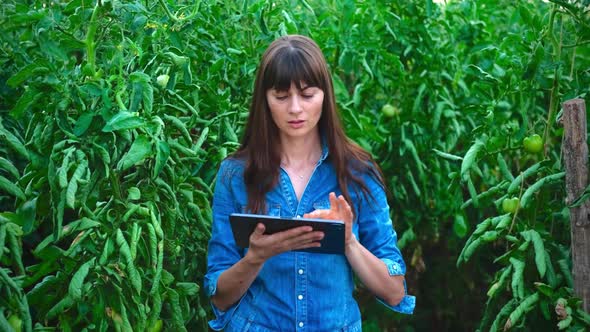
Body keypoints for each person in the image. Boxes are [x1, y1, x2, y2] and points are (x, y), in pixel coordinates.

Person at [204, 34, 415, 331]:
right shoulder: (235, 175)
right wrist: (255, 258)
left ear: (325, 95)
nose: (295, 109)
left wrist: (349, 243)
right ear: (264, 99)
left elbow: (395, 291)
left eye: (307, 94)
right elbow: (220, 296)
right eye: (281, 96)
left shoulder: (357, 172)